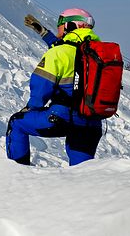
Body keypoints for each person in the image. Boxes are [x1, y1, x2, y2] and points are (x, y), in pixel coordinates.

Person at [6, 8, 103, 165]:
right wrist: (43, 32)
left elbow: (41, 87)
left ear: (71, 26)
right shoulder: (97, 53)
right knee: (81, 171)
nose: (58, 27)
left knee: (17, 123)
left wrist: (31, 107)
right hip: (92, 122)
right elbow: (66, 48)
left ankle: (19, 175)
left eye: (61, 23)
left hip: (62, 118)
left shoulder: (59, 53)